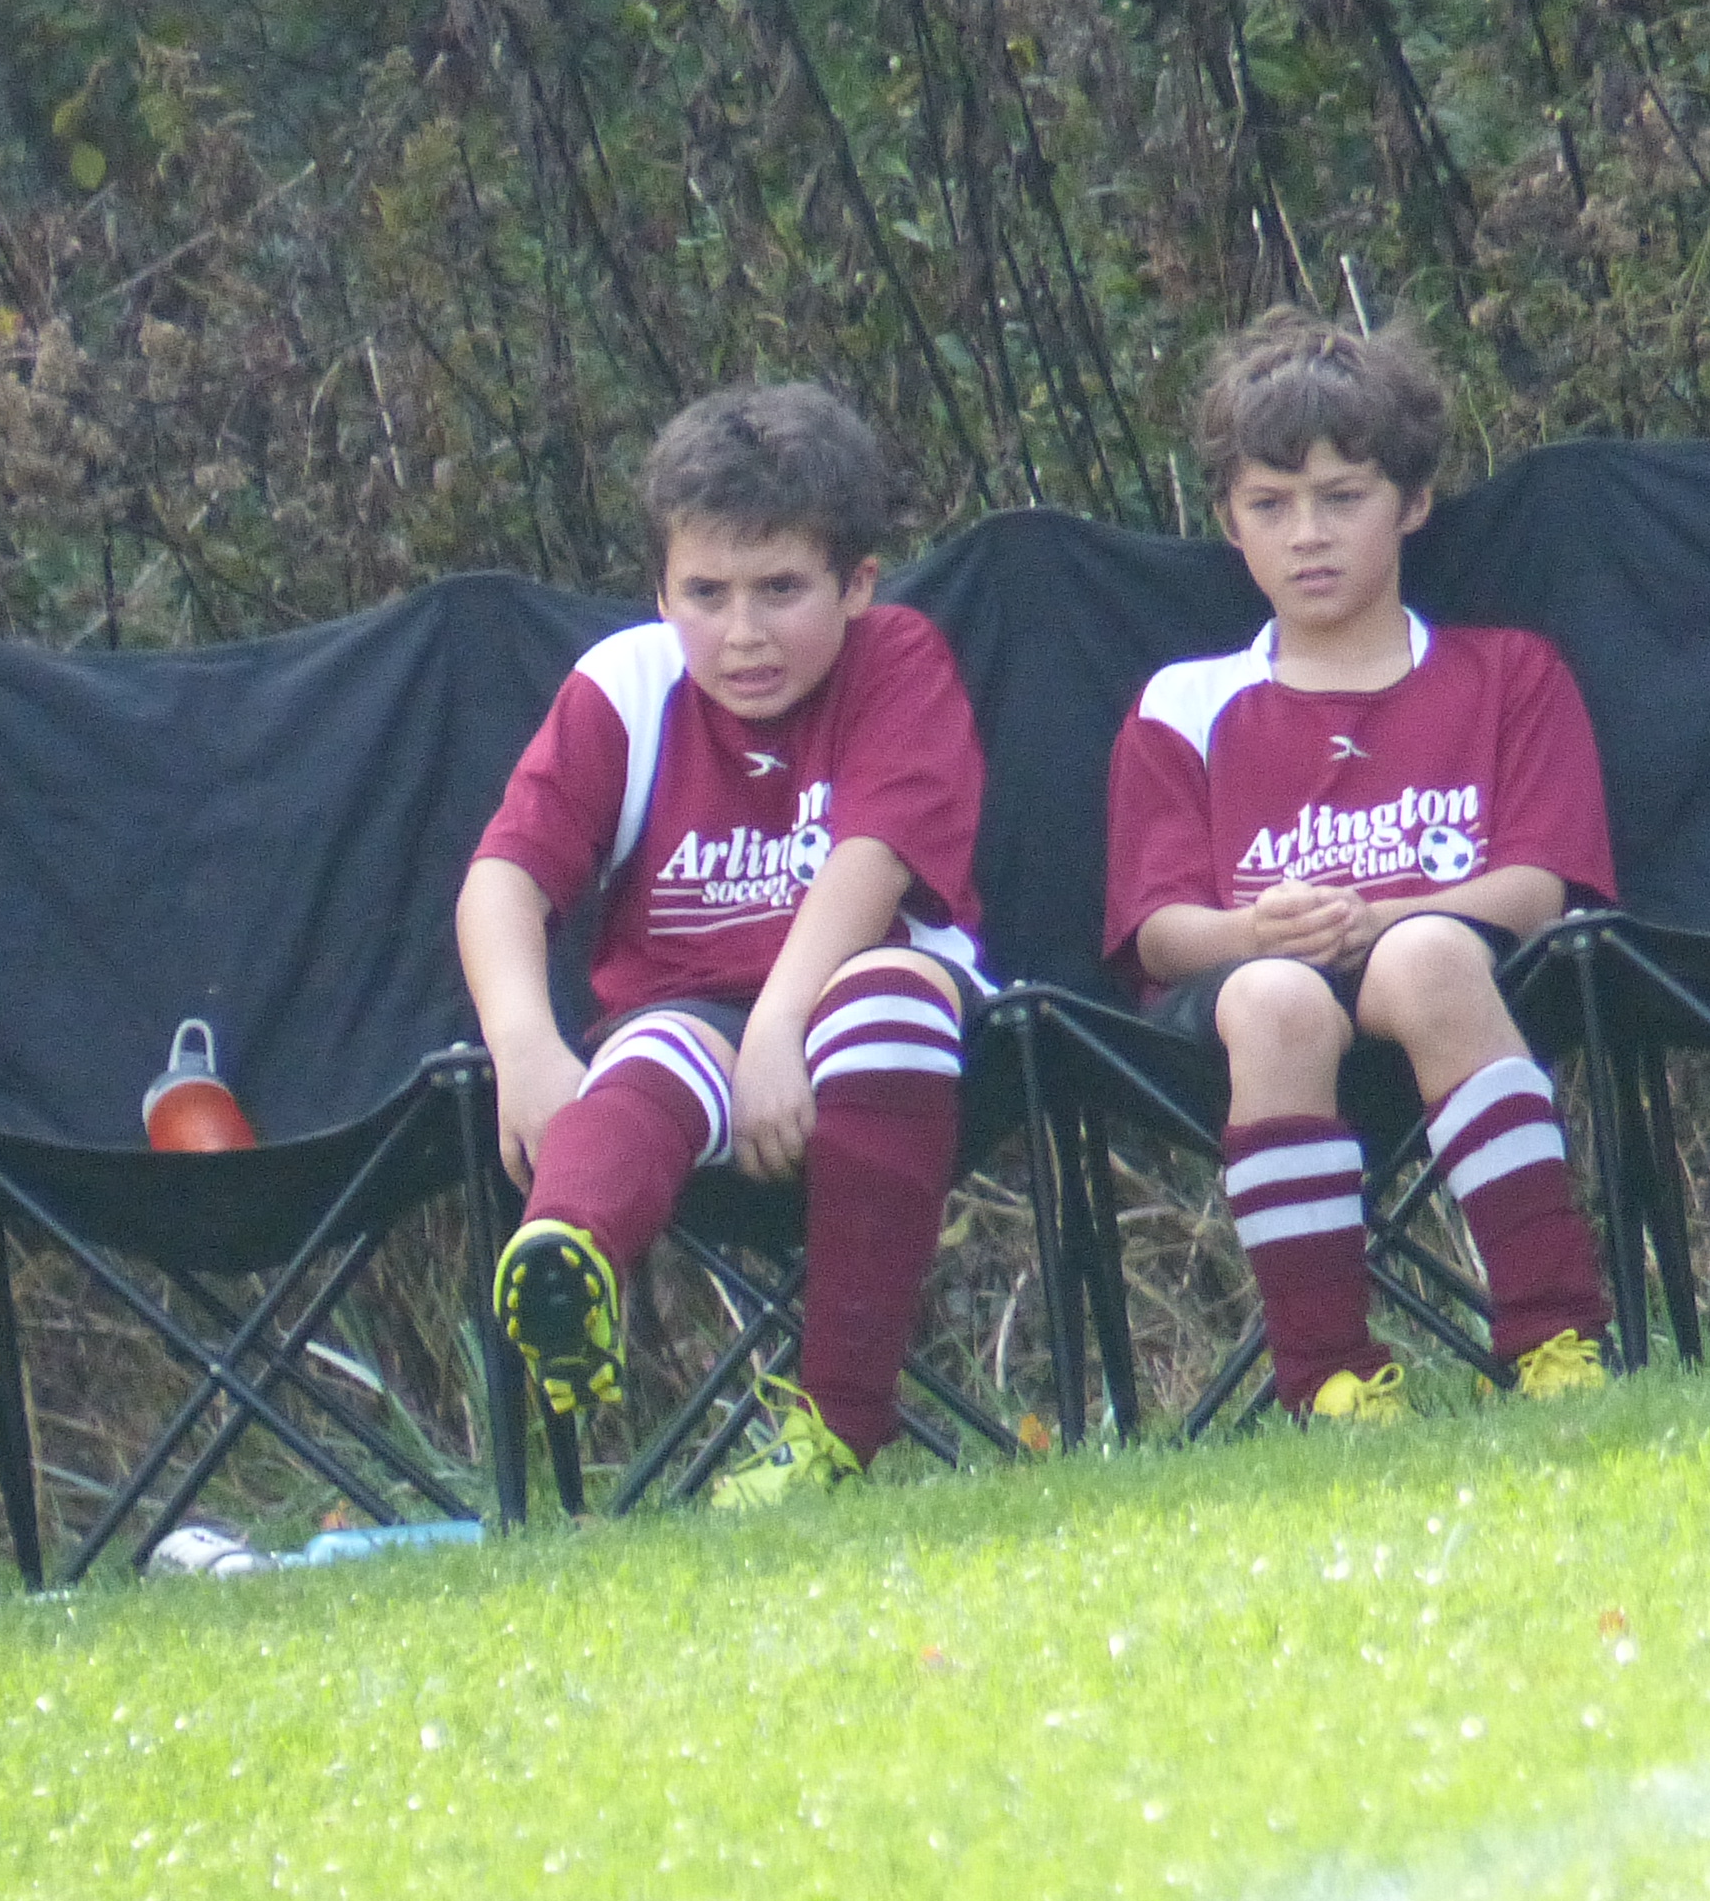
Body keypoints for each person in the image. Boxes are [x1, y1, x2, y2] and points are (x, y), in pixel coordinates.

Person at [461, 384, 985, 1507]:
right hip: (691, 1015)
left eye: (780, 590)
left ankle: (837, 1424)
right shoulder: (625, 684)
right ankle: (565, 1267)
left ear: (856, 585)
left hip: (875, 1007)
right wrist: (523, 1045)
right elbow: (503, 878)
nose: (743, 634)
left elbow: (874, 858)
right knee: (641, 1060)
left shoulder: (898, 659)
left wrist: (782, 1027)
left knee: (883, 998)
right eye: (705, 594)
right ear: (660, 592)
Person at [1104, 310, 1618, 1422]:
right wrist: (1258, 933)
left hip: (1456, 980)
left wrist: (1382, 915)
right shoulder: (1183, 703)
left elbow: (1535, 890)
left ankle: (1556, 1339)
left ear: (1413, 502)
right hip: (1249, 999)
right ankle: (1332, 1376)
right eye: (1270, 505)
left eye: (1343, 498)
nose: (1309, 536)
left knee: (1429, 953)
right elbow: (1158, 933)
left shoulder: (1508, 674)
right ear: (1227, 523)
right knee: (1278, 997)